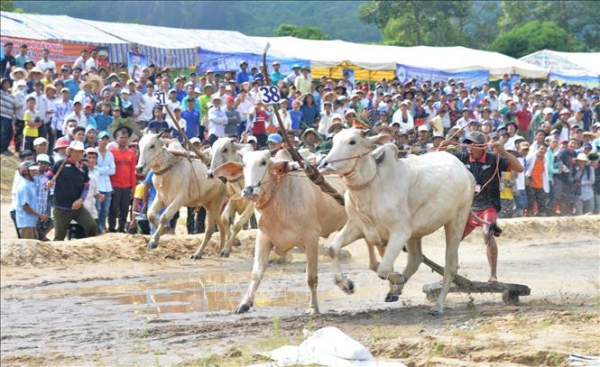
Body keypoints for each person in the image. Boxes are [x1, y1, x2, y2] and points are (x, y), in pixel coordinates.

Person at [445, 131, 524, 283]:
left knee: (487, 234)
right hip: (468, 207)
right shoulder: (461, 157)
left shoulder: (494, 159)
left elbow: (519, 169)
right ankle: (450, 272)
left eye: (473, 144)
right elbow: (440, 159)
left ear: (482, 146)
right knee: (453, 239)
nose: (469, 147)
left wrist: (503, 152)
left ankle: (493, 275)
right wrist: (443, 147)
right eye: (467, 143)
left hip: (488, 205)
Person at [45, 141, 97, 240]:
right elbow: (47, 176)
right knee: (59, 237)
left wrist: (81, 200)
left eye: (80, 152)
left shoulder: (84, 168)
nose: (77, 154)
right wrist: (47, 182)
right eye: (75, 151)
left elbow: (86, 187)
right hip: (61, 208)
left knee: (91, 225)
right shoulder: (61, 164)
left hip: (77, 207)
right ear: (70, 152)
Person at [108, 127, 136, 233]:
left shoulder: (131, 153)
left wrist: (133, 187)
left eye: (125, 138)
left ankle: (121, 228)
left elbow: (132, 171)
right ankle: (111, 228)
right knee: (113, 208)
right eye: (121, 137)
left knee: (124, 209)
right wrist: (110, 185)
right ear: (116, 138)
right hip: (115, 184)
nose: (123, 139)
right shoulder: (111, 152)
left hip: (127, 186)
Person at [15, 161, 45, 239]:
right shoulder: (24, 186)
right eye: (33, 170)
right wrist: (40, 215)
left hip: (31, 222)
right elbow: (25, 206)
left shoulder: (30, 184)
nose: (35, 172)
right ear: (26, 171)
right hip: (26, 222)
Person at [95, 131, 115, 233]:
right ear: (98, 140)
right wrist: (106, 168)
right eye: (102, 139)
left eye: (106, 139)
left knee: (105, 210)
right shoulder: (93, 152)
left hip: (107, 186)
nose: (104, 141)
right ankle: (95, 228)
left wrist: (100, 169)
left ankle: (101, 228)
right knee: (97, 208)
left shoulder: (110, 154)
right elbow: (94, 169)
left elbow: (113, 170)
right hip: (97, 185)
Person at [1, 77, 19, 156]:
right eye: (5, 83)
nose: (7, 85)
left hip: (9, 117)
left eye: (8, 83)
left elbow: (16, 104)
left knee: (9, 133)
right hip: (2, 116)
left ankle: (5, 148)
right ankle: (2, 150)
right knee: (3, 133)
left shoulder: (11, 95)